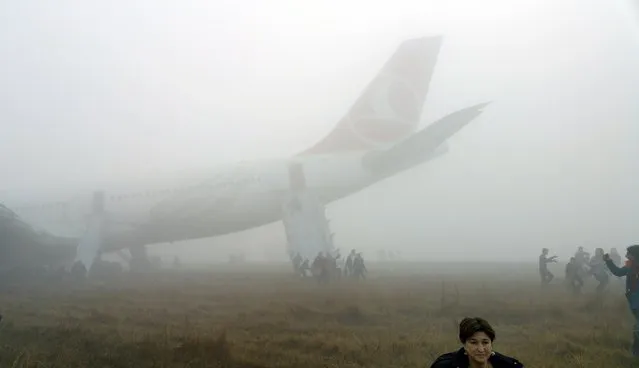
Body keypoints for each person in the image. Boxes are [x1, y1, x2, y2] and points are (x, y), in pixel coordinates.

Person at [430, 317, 523, 368]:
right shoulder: (444, 367)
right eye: (473, 343)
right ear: (464, 344)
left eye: (485, 342)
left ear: (491, 343)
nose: (481, 349)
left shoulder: (509, 366)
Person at [604, 245, 639, 357]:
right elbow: (618, 272)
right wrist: (609, 261)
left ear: (634, 255)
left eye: (628, 253)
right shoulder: (630, 265)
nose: (626, 255)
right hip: (634, 300)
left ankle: (636, 353)